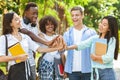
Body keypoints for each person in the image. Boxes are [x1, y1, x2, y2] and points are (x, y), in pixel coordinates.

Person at [0, 12, 63, 80]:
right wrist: (17, 57)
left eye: (19, 18)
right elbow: (1, 58)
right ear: (10, 23)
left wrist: (57, 48)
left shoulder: (25, 37)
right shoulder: (5, 38)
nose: (20, 20)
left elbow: (40, 49)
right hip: (14, 72)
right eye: (16, 19)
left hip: (27, 70)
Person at [67, 16, 119, 80]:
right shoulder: (95, 38)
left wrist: (96, 57)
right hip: (95, 73)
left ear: (109, 29)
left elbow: (109, 57)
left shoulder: (111, 40)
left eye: (104, 25)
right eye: (101, 23)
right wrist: (67, 47)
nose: (101, 25)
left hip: (106, 73)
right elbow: (82, 44)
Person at [20, 2, 57, 80]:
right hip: (19, 63)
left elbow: (37, 41)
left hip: (31, 62)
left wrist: (50, 42)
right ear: (26, 13)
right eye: (33, 13)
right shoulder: (19, 22)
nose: (36, 16)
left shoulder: (35, 25)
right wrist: (47, 42)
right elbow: (29, 34)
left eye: (36, 13)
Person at [63, 6, 96, 80]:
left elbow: (96, 51)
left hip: (87, 70)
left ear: (82, 16)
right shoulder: (67, 34)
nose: (74, 17)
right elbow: (62, 50)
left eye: (77, 15)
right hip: (72, 71)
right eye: (72, 15)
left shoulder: (91, 33)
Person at [37, 15, 65, 80]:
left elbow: (62, 54)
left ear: (54, 25)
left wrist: (65, 68)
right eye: (47, 24)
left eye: (52, 24)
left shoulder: (58, 37)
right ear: (43, 26)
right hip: (45, 64)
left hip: (58, 64)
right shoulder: (41, 36)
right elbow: (39, 50)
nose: (50, 26)